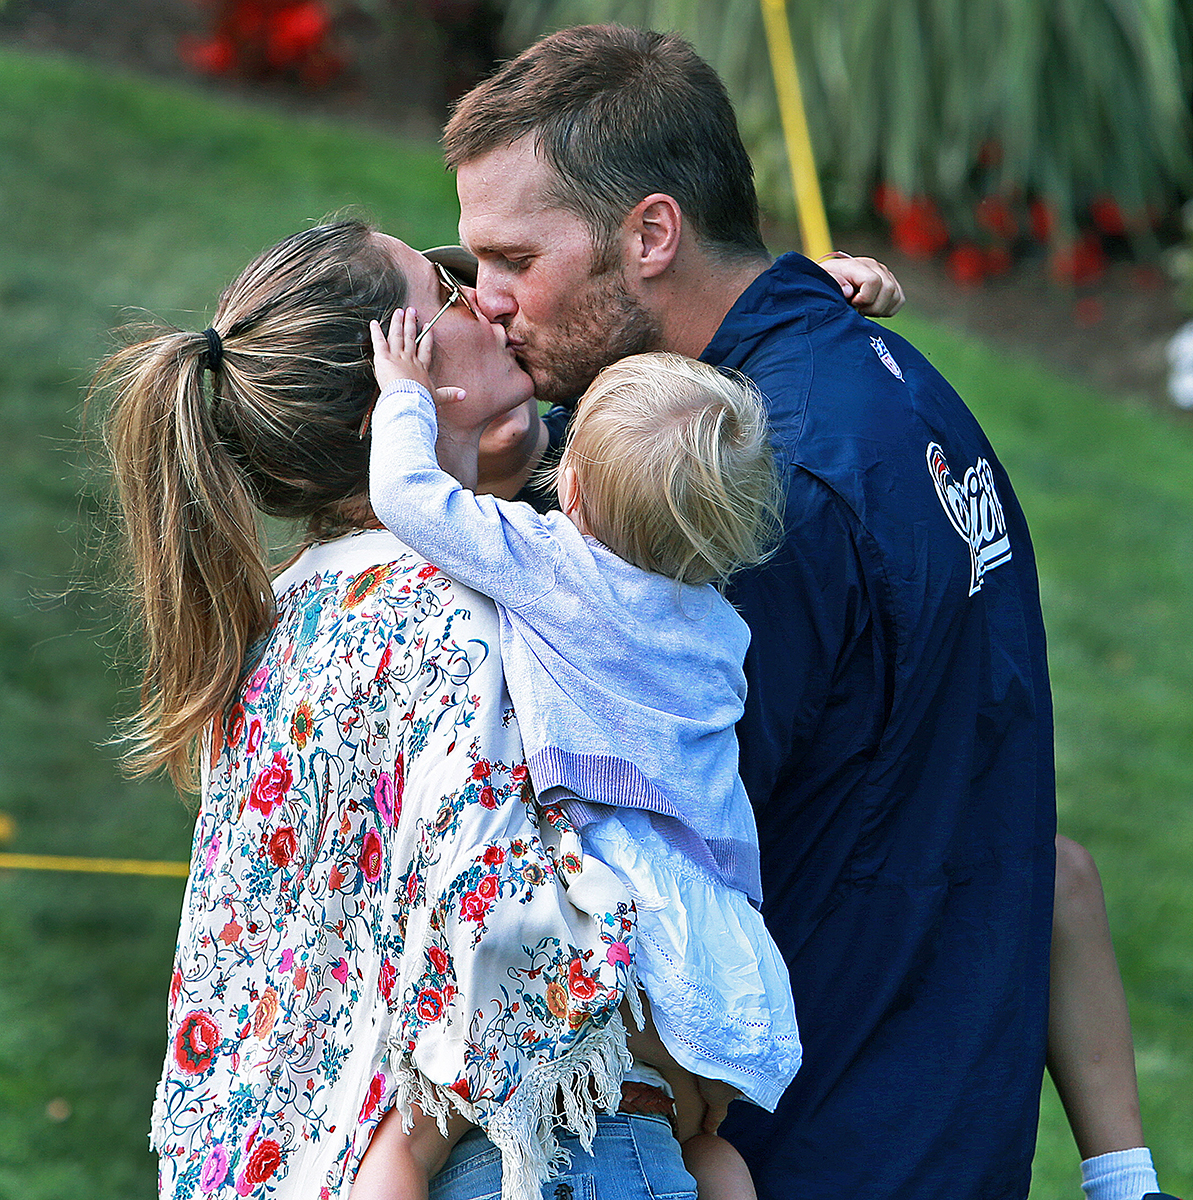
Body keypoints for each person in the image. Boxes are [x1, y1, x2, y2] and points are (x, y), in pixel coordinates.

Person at [438, 24, 1172, 1200]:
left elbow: (636, 840)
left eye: (513, 258)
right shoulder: (881, 383)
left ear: (651, 233)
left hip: (824, 1144)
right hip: (935, 1125)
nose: (489, 301)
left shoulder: (748, 493)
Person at [91, 219, 698, 1200]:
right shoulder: (453, 618)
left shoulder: (281, 616)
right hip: (501, 1167)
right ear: (400, 400)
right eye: (447, 295)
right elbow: (512, 944)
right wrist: (679, 1046)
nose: (487, 305)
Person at [357, 307, 802, 1200]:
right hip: (711, 940)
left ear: (576, 491)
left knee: (417, 1141)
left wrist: (405, 399)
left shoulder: (554, 565)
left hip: (598, 904)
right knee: (703, 1130)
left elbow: (408, 499)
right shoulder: (719, 630)